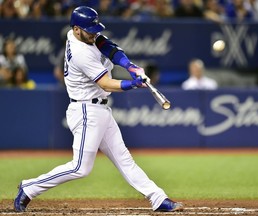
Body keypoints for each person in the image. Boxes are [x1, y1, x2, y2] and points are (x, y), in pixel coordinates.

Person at [14, 6, 183, 213]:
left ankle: (158, 198)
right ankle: (29, 187)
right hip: (86, 111)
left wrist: (130, 66)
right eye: (90, 30)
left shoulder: (82, 35)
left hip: (100, 110)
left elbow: (109, 47)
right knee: (80, 168)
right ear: (77, 29)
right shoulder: (80, 52)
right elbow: (106, 83)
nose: (94, 33)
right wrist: (133, 83)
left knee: (124, 159)